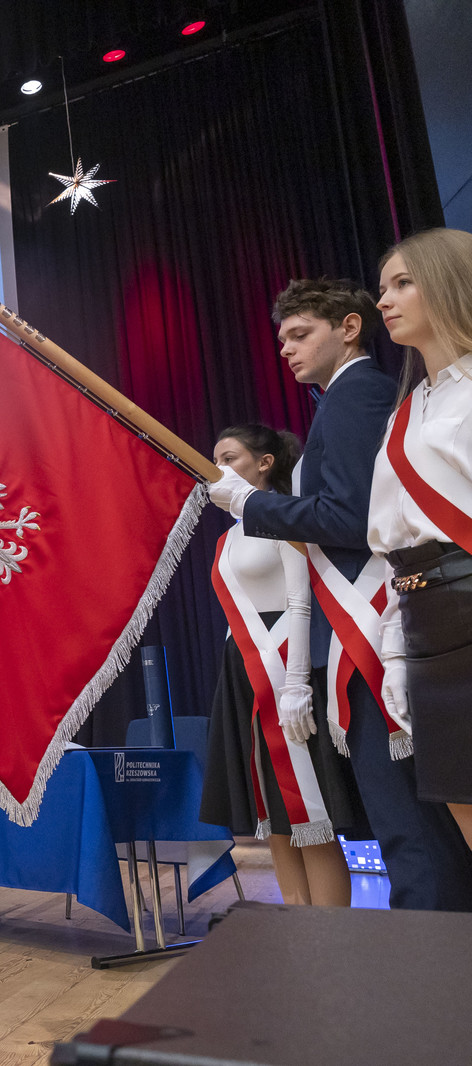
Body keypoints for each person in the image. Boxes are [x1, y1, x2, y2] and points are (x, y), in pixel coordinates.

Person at [209, 277, 472, 911]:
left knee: (408, 824)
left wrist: (253, 505)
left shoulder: (357, 396)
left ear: (349, 329)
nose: (286, 349)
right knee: (404, 819)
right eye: (282, 339)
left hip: (377, 622)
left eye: (301, 334)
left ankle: (429, 951)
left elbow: (349, 519)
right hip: (359, 625)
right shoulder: (342, 399)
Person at [200, 425, 361, 906]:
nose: (219, 469)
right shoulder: (227, 537)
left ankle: (332, 936)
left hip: (287, 666)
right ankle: (297, 928)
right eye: (215, 460)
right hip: (243, 673)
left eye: (230, 458)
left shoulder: (285, 515)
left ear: (264, 463)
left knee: (309, 810)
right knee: (273, 815)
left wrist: (296, 683)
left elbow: (300, 600)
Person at [370, 228, 472, 852]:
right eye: (383, 287)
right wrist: (395, 653)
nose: (384, 300)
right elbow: (392, 547)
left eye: (403, 283)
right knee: (459, 796)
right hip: (424, 618)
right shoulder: (403, 413)